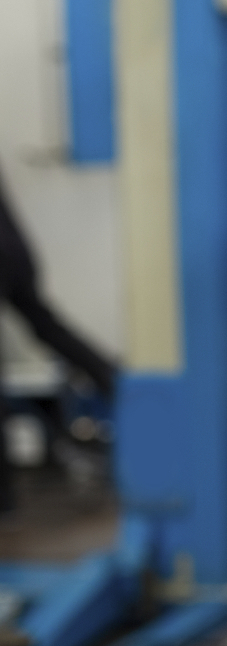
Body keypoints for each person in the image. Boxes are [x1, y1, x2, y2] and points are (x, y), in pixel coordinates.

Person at [0, 168, 118, 513]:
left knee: (43, 325)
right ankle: (116, 382)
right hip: (16, 253)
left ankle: (3, 501)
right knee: (46, 325)